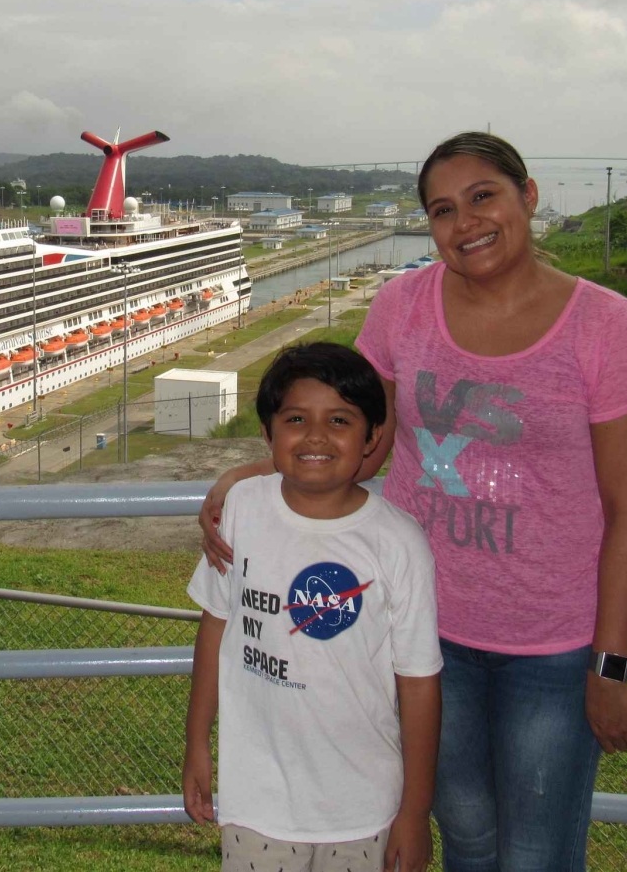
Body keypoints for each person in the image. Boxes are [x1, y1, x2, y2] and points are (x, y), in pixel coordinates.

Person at [200, 132, 627, 871]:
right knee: (467, 838)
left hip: (551, 643)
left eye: (484, 196)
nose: (465, 222)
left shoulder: (606, 325)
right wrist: (250, 477)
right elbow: (362, 438)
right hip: (423, 636)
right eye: (442, 209)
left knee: (537, 854)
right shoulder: (402, 305)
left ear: (528, 196)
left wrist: (610, 668)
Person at [184, 342, 442, 872]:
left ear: (372, 438)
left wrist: (414, 814)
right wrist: (196, 742)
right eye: (296, 418)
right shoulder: (242, 511)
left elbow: (419, 683)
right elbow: (214, 628)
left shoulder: (399, 543)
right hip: (256, 803)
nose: (317, 436)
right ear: (268, 433)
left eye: (341, 420)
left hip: (364, 806)